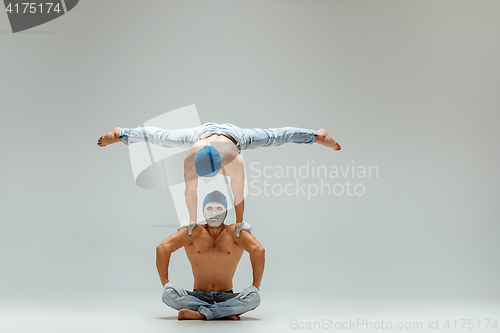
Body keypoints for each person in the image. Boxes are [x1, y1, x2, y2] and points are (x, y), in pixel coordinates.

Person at [97, 123, 341, 233]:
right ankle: (122, 134)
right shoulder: (191, 158)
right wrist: (190, 220)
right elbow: (189, 192)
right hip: (200, 134)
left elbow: (238, 193)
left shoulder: (234, 161)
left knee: (275, 136)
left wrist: (241, 222)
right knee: (161, 137)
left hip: (234, 135)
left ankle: (316, 135)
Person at [156, 190, 265, 320]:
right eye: (209, 208)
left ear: (225, 212)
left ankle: (202, 314)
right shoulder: (193, 231)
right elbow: (162, 248)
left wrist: (255, 286)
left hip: (226, 295)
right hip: (197, 296)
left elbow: (259, 250)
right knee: (168, 294)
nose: (214, 212)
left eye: (219, 208)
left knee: (254, 298)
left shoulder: (234, 232)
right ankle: (223, 312)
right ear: (203, 212)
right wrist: (166, 283)